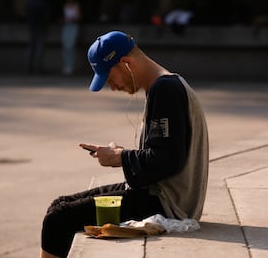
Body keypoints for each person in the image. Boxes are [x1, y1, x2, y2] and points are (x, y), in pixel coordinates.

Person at [40, 31, 209, 258]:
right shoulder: (165, 86)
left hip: (166, 205)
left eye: (110, 79)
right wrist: (122, 154)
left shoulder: (165, 90)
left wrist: (120, 157)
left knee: (58, 218)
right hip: (161, 196)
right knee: (59, 204)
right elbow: (166, 151)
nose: (113, 87)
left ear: (126, 63)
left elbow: (167, 160)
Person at [26, 0, 49, 74]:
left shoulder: (29, 3)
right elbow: (46, 16)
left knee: (31, 46)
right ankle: (38, 68)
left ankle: (29, 67)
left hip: (32, 27)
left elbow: (26, 14)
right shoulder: (43, 3)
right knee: (40, 48)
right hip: (41, 27)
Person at [61, 0, 80, 75]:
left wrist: (73, 19)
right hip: (66, 26)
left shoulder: (76, 6)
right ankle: (66, 66)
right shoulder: (65, 6)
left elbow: (79, 17)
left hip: (73, 26)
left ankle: (71, 66)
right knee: (65, 47)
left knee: (71, 46)